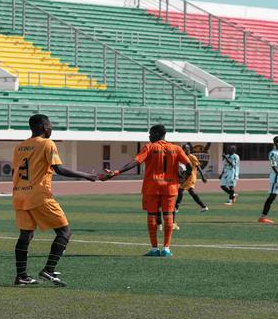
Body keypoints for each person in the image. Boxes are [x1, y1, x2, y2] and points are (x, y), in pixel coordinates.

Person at [12, 114, 99, 287]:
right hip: (39, 195)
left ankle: (21, 276)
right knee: (64, 232)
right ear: (44, 127)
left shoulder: (19, 147)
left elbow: (15, 171)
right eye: (50, 125)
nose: (51, 128)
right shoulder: (47, 143)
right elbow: (59, 169)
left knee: (26, 234)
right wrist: (87, 175)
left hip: (19, 194)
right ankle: (49, 270)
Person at [102, 124, 192, 257]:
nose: (149, 136)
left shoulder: (149, 147)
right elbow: (189, 166)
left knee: (152, 216)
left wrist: (117, 172)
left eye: (151, 133)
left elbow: (135, 162)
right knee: (168, 216)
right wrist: (183, 178)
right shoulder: (176, 148)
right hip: (170, 187)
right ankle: (166, 248)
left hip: (152, 187)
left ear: (157, 134)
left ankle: (154, 248)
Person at [173, 142, 209, 228]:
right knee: (190, 191)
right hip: (187, 176)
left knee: (181, 190)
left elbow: (198, 167)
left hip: (191, 177)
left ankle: (176, 207)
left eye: (188, 148)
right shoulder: (183, 157)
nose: (187, 150)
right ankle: (203, 206)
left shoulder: (192, 157)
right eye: (186, 148)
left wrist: (203, 177)